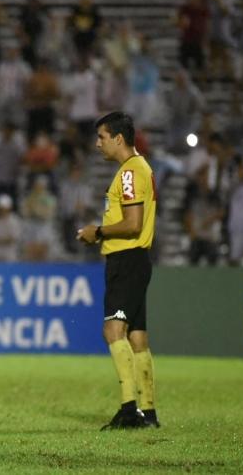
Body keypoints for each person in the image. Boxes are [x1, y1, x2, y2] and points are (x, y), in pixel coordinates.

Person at [77, 111, 159, 430]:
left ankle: (128, 410)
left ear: (118, 139)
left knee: (112, 331)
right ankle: (148, 412)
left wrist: (96, 232)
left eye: (102, 137)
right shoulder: (142, 168)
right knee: (137, 337)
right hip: (137, 260)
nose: (98, 143)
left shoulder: (129, 173)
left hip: (125, 260)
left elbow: (132, 223)